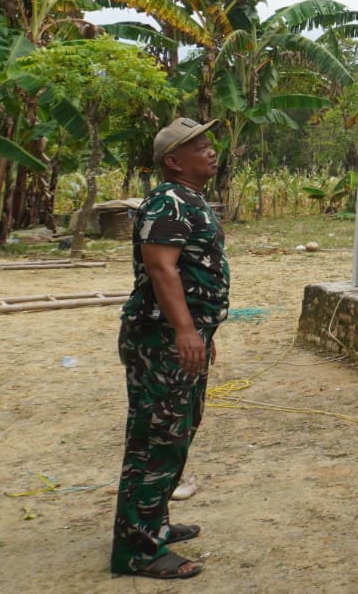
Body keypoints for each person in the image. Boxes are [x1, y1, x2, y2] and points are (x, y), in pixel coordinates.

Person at [110, 116, 227, 581]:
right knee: (156, 441)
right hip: (159, 341)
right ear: (173, 161)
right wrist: (184, 330)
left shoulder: (187, 199)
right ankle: (137, 550)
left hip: (178, 338)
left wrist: (201, 333)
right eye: (198, 146)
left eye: (208, 143)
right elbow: (162, 269)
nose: (210, 150)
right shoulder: (169, 200)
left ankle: (152, 522)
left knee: (175, 435)